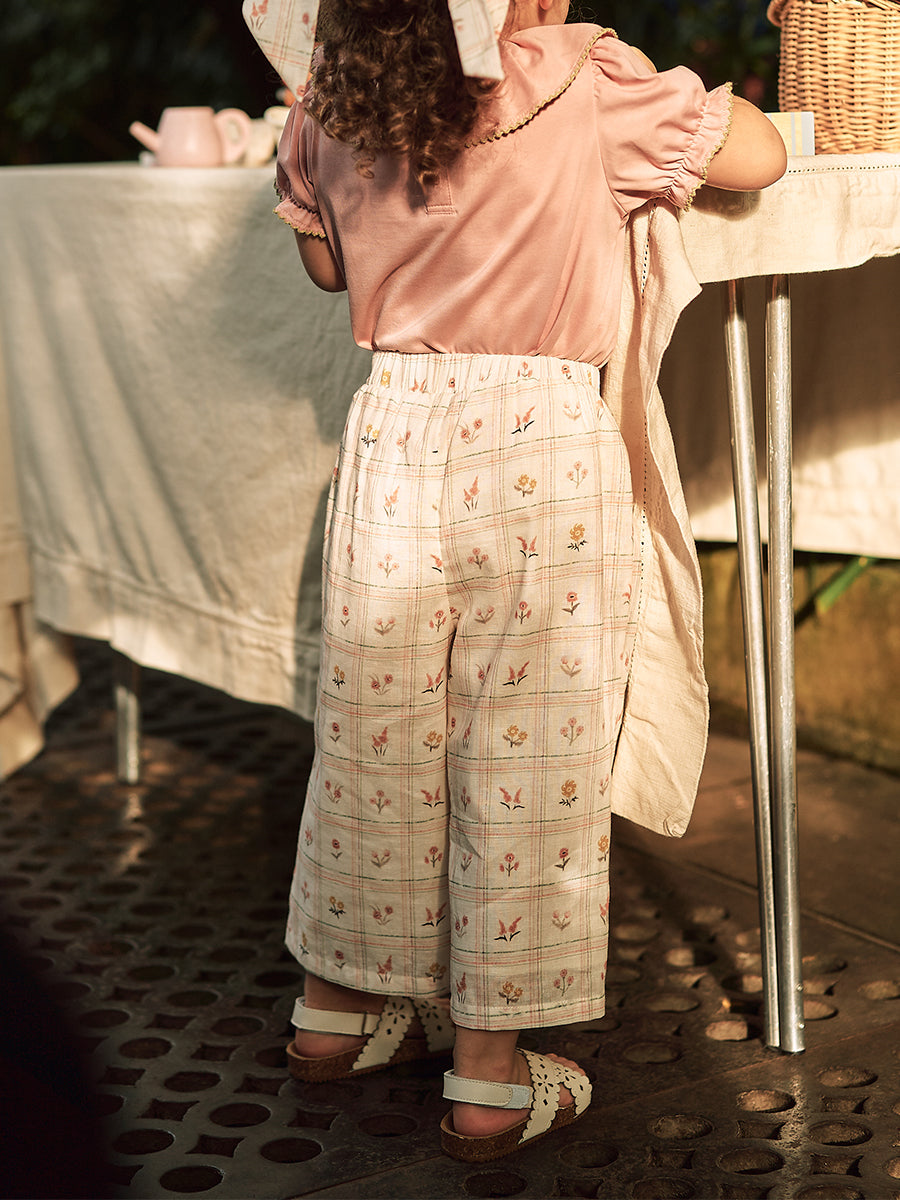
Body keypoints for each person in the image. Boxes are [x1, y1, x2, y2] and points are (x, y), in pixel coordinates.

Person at [246, 0, 786, 1162]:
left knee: (375, 728)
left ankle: (334, 1010)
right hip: (539, 435)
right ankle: (487, 1076)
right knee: (524, 751)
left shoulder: (330, 99)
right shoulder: (584, 76)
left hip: (394, 427)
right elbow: (760, 156)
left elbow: (326, 264)